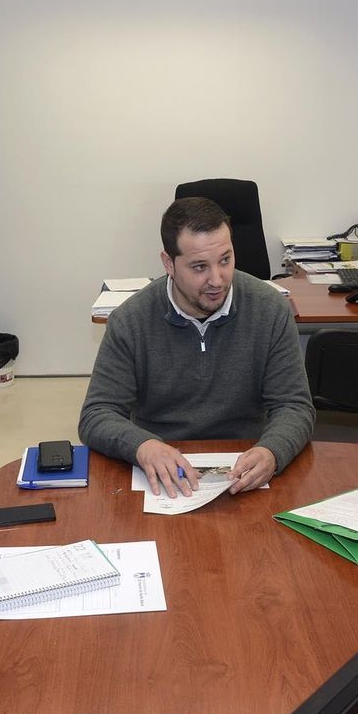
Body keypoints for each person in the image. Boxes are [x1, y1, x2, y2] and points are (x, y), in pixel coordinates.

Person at [79, 197, 315, 497]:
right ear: (169, 264)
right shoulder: (131, 320)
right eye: (200, 267)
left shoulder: (269, 310)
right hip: (162, 471)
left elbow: (294, 406)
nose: (216, 279)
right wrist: (143, 446)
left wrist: (272, 451)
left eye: (225, 260)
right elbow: (97, 414)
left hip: (246, 465)